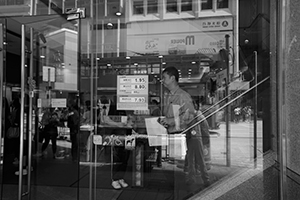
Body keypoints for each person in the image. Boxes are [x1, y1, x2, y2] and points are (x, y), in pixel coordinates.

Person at [159, 66, 210, 187]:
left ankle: (203, 181)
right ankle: (193, 180)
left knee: (195, 157)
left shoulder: (183, 96)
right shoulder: (169, 95)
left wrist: (169, 121)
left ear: (172, 78)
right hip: (180, 133)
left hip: (191, 132)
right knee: (191, 157)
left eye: (164, 77)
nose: (162, 80)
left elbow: (189, 116)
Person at [97, 95, 131, 190]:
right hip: (104, 136)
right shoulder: (97, 109)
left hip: (118, 136)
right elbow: (99, 121)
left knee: (121, 157)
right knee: (111, 158)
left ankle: (119, 177)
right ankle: (114, 178)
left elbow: (123, 122)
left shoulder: (117, 108)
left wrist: (114, 123)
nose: (100, 104)